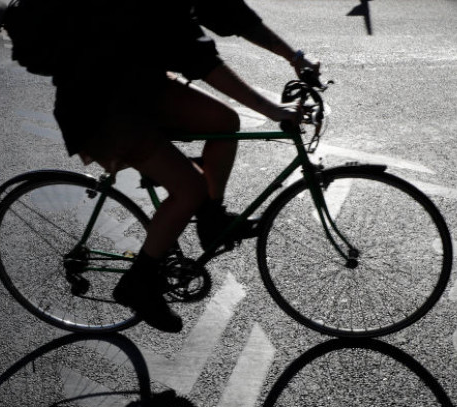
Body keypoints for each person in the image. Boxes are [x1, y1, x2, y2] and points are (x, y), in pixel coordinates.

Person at [52, 0, 320, 332]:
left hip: (138, 84)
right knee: (189, 189)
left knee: (223, 120)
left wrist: (294, 57)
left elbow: (231, 13)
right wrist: (273, 111)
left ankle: (211, 218)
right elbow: (199, 58)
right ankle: (139, 283)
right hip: (99, 104)